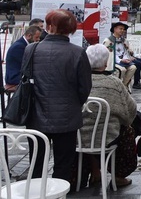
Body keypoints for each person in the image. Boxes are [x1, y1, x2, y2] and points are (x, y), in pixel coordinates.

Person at [25, 9, 92, 184]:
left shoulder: (31, 49)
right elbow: (84, 88)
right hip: (67, 117)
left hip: (36, 117)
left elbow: (24, 81)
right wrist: (73, 103)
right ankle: (58, 194)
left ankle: (36, 195)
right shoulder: (78, 52)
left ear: (50, 26)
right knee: (63, 165)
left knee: (36, 165)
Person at [82, 44, 138, 188]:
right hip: (108, 136)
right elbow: (129, 112)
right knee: (127, 130)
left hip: (79, 135)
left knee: (91, 131)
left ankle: (95, 171)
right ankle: (118, 175)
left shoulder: (77, 81)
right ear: (106, 63)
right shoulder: (114, 83)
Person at [4, 24, 42, 93]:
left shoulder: (23, 44)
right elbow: (27, 65)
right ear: (29, 36)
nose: (38, 40)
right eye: (37, 37)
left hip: (20, 75)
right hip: (15, 77)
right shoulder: (19, 47)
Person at [102, 21, 137, 89]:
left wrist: (127, 58)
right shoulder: (108, 41)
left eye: (123, 29)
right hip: (113, 61)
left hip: (123, 60)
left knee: (133, 67)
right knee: (122, 70)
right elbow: (110, 54)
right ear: (115, 29)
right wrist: (121, 60)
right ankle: (116, 86)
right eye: (120, 29)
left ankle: (123, 85)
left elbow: (124, 52)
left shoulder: (124, 40)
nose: (122, 31)